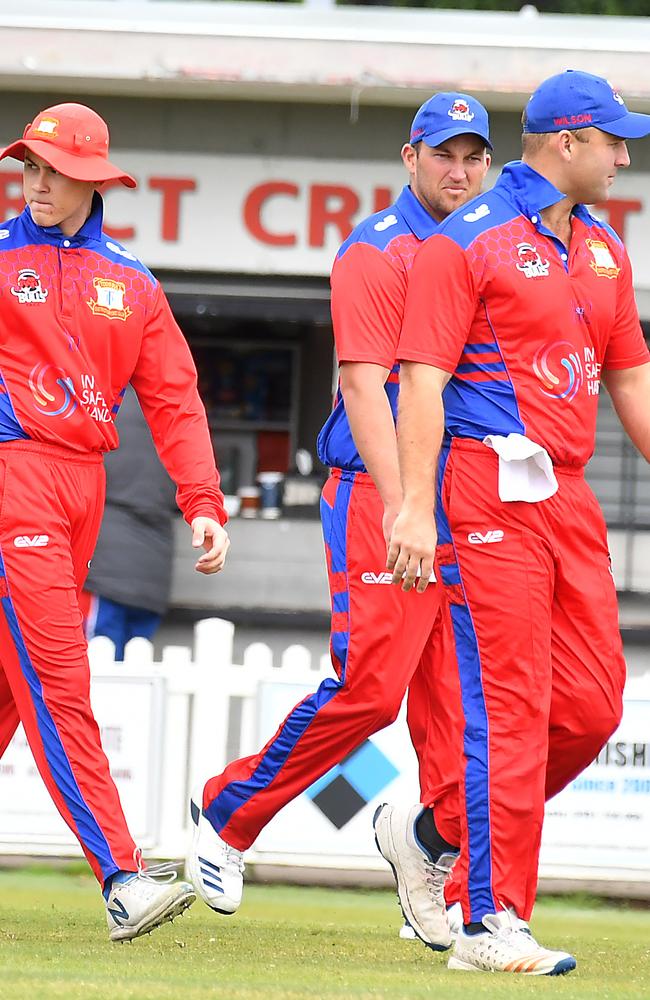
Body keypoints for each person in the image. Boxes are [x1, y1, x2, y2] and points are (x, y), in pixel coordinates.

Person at [185, 93, 492, 950]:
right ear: (409, 158)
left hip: (459, 500)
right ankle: (227, 812)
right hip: (379, 494)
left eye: (474, 158)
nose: (459, 173)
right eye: (444, 156)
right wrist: (407, 507)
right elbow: (363, 386)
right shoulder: (376, 249)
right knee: (372, 689)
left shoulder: (486, 249)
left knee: (463, 710)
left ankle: (436, 861)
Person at [387, 70, 650, 975]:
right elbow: (418, 375)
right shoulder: (467, 241)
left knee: (590, 706)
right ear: (566, 141)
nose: (625, 155)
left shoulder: (606, 249)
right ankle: (488, 921)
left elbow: (632, 379)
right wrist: (414, 508)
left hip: (567, 496)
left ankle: (432, 831)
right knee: (512, 707)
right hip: (484, 487)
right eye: (613, 140)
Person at [0, 103, 230, 941]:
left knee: (9, 695)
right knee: (60, 685)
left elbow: (175, 400)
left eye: (52, 170)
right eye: (28, 167)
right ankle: (122, 875)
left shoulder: (131, 281)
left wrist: (203, 501)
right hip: (14, 476)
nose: (35, 182)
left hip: (81, 491)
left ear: (93, 180)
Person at [81, 386, 178, 659]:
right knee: (134, 676)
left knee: (90, 670)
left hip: (103, 569)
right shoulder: (170, 403)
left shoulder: (95, 399)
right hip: (154, 572)